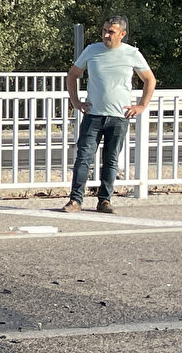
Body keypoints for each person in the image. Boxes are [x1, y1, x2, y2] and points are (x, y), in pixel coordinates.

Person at [63, 16, 157, 214]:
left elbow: (149, 79)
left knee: (111, 159)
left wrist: (141, 105)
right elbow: (72, 74)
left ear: (122, 34)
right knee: (83, 157)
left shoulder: (132, 53)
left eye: (111, 32)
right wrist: (75, 101)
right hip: (93, 114)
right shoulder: (92, 50)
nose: (106, 35)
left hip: (119, 116)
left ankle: (104, 200)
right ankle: (75, 200)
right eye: (104, 30)